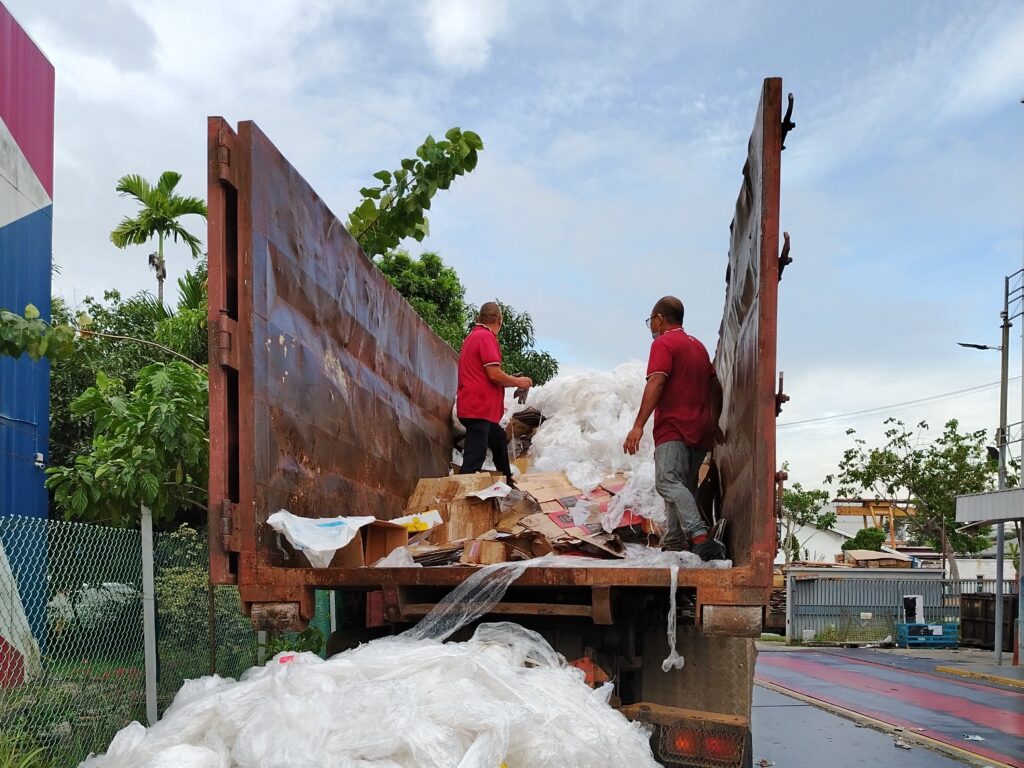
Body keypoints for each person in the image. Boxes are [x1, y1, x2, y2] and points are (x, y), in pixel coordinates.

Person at [623, 296, 725, 561]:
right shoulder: (698, 347)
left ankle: (699, 535)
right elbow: (715, 386)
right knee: (683, 488)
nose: (651, 327)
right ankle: (674, 543)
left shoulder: (664, 343)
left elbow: (656, 382)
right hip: (700, 432)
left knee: (667, 482)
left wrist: (638, 426)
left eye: (651, 321)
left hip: (673, 429)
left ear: (659, 319)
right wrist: (713, 422)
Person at [457, 302, 533, 484]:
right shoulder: (486, 337)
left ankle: (507, 480)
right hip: (478, 409)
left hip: (475, 407)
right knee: (474, 459)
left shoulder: (474, 336)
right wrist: (518, 382)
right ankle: (462, 492)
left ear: (480, 317)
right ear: (500, 320)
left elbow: (486, 376)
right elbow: (494, 374)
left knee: (498, 438)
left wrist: (510, 380)